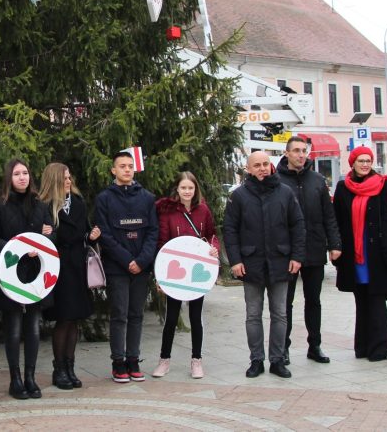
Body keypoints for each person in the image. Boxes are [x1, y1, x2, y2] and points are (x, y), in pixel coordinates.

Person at [223, 151, 305, 378]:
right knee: (253, 314)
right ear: (248, 169)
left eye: (265, 164)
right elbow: (229, 229)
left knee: (280, 314)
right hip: (250, 264)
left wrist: (297, 257)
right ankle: (256, 359)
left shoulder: (285, 193)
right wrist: (235, 260)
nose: (262, 168)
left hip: (281, 263)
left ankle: (277, 360)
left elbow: (298, 226)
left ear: (271, 166)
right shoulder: (238, 196)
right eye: (256, 165)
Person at [0, 159, 54, 399]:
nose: (22, 177)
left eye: (25, 172)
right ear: (9, 178)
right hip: (10, 272)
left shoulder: (40, 204)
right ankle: (15, 380)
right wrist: (17, 248)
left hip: (35, 272)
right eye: (17, 174)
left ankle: (31, 378)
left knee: (34, 328)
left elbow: (49, 233)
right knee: (13, 328)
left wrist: (48, 236)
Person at [275, 136, 342, 365]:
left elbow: (329, 215)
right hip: (287, 252)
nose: (301, 155)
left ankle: (315, 345)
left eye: (304, 150)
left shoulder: (317, 180)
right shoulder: (276, 180)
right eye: (296, 151)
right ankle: (283, 347)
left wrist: (334, 244)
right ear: (287, 153)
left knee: (314, 301)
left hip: (314, 249)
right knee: (286, 302)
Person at [95, 150, 159, 383]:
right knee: (119, 315)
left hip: (141, 267)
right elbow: (106, 235)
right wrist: (126, 260)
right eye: (122, 166)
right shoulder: (104, 199)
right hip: (117, 266)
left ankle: (134, 360)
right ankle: (118, 362)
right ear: (113, 170)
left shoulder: (147, 198)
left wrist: (141, 261)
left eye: (130, 166)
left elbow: (153, 232)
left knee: (136, 315)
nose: (126, 169)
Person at [37, 162, 101, 389]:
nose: (68, 180)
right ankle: (59, 369)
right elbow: (39, 238)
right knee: (63, 318)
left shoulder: (79, 203)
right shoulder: (44, 206)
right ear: (54, 180)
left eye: (69, 176)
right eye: (64, 177)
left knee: (75, 319)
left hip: (78, 266)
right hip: (58, 268)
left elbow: (83, 231)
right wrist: (48, 233)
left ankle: (71, 367)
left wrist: (92, 236)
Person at [332, 147, 387, 362]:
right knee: (361, 299)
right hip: (354, 253)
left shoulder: (382, 184)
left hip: (376, 253)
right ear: (352, 163)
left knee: (377, 299)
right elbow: (338, 220)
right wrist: (336, 249)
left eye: (368, 160)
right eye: (361, 160)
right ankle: (362, 347)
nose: (365, 164)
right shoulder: (343, 188)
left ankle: (379, 348)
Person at [152, 171, 218, 379]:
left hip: (197, 271)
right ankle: (164, 361)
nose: (187, 191)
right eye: (183, 188)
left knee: (196, 318)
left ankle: (196, 361)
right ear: (177, 189)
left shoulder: (203, 210)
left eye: (190, 188)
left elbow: (211, 235)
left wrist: (214, 248)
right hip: (175, 271)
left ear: (195, 189)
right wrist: (160, 277)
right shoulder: (168, 213)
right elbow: (162, 244)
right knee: (171, 318)